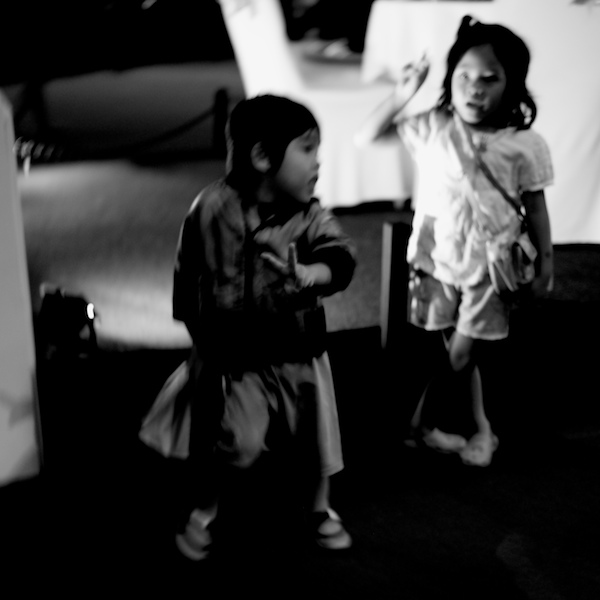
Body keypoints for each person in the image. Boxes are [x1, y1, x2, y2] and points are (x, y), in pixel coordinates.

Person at [139, 94, 357, 561]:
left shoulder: (309, 214)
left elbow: (340, 257)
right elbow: (187, 274)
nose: (318, 162)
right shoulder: (210, 208)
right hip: (237, 360)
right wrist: (201, 339)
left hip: (299, 352)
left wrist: (310, 274)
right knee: (234, 443)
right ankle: (206, 507)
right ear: (261, 156)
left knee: (314, 440)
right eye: (307, 149)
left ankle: (320, 507)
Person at [356, 16, 553, 467]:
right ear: (449, 79)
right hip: (437, 258)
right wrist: (404, 92)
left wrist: (547, 266)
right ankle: (475, 429)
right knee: (454, 351)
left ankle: (426, 426)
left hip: (491, 266)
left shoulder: (524, 144)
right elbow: (364, 137)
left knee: (462, 353)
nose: (474, 89)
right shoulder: (433, 126)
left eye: (489, 78)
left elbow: (537, 208)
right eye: (464, 76)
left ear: (513, 83)